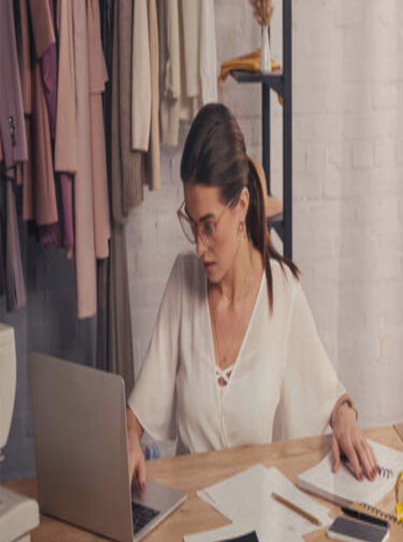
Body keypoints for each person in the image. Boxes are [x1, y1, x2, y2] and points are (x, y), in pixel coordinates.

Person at [126, 103, 378, 492]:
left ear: (240, 206)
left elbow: (329, 393)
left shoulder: (283, 292)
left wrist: (346, 418)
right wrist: (128, 441)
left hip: (261, 517)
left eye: (209, 226)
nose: (199, 246)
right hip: (188, 515)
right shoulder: (183, 282)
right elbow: (139, 410)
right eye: (191, 224)